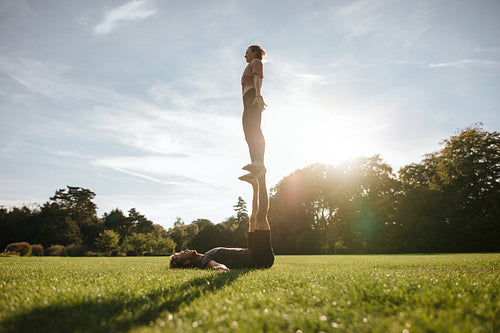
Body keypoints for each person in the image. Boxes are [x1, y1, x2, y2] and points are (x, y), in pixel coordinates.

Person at [169, 173, 274, 271]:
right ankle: (261, 177)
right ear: (186, 261)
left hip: (251, 251)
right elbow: (214, 265)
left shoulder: (206, 255)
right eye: (183, 253)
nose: (186, 250)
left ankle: (255, 186)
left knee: (253, 220)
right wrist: (220, 268)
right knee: (261, 219)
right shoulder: (205, 261)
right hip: (259, 258)